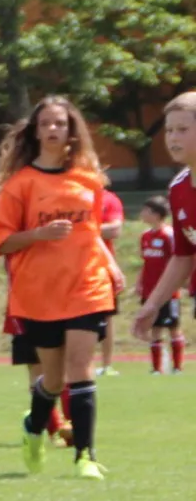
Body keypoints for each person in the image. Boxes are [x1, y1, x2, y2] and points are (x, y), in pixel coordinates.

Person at [0, 96, 123, 480]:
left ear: (71, 131)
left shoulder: (89, 180)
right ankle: (33, 427)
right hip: (40, 293)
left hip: (86, 285)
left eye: (60, 123)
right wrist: (38, 234)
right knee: (54, 378)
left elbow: (90, 233)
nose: (52, 129)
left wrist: (110, 265)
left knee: (81, 368)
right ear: (35, 131)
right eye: (45, 123)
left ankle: (85, 456)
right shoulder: (20, 185)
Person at [0, 238, 71, 445]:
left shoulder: (59, 223)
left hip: (62, 304)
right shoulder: (11, 225)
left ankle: (73, 424)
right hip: (23, 309)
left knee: (65, 368)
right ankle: (56, 429)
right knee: (38, 370)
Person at [131, 92, 196, 352]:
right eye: (169, 130)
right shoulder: (178, 188)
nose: (173, 138)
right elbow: (183, 255)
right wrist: (153, 304)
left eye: (182, 129)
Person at [134, 197, 183, 374]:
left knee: (173, 328)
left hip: (168, 293)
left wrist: (176, 284)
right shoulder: (145, 236)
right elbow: (146, 262)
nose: (142, 214)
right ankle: (156, 369)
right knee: (154, 329)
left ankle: (177, 367)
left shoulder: (169, 235)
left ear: (156, 214)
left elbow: (178, 261)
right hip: (149, 291)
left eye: (145, 211)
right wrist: (139, 283)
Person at [95, 183, 126, 376]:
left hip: (102, 267)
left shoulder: (109, 199)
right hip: (70, 266)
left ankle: (106, 364)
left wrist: (83, 229)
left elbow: (114, 229)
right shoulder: (70, 194)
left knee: (107, 316)